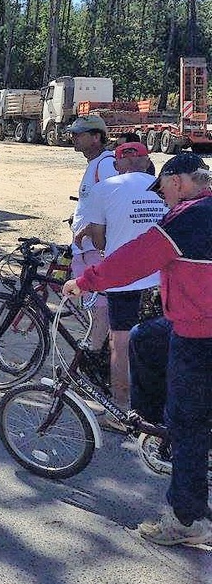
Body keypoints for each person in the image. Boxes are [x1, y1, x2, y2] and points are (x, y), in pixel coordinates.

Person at [63, 152, 212, 547]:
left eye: (162, 188)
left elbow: (135, 258)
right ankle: (154, 424)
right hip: (189, 321)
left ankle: (186, 520)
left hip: (200, 333)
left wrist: (86, 281)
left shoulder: (190, 216)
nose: (161, 197)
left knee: (189, 424)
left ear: (178, 181)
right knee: (146, 338)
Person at [74, 141, 167, 417]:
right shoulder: (164, 187)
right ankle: (154, 402)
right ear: (146, 161)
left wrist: (92, 233)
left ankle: (121, 407)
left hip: (123, 279)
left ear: (117, 164)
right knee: (157, 341)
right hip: (160, 278)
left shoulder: (105, 189)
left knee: (120, 343)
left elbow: (101, 239)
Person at [68, 114, 117, 352]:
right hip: (85, 246)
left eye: (79, 134)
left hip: (95, 247)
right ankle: (97, 344)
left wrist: (91, 229)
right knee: (92, 300)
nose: (73, 138)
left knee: (100, 303)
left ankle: (97, 352)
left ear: (96, 137)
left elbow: (113, 203)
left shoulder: (106, 163)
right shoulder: (95, 163)